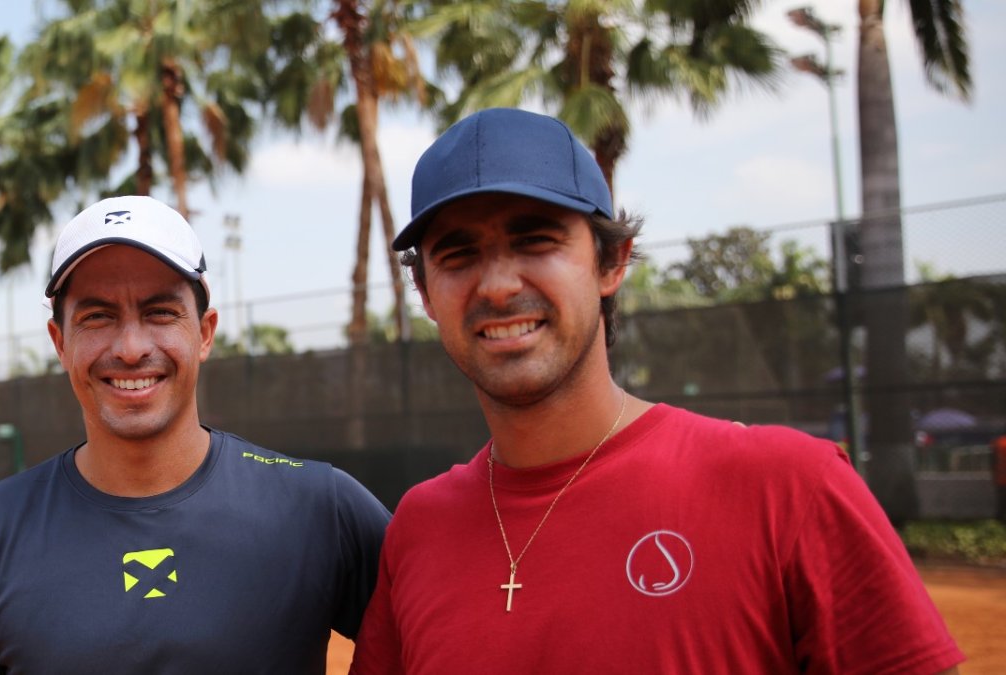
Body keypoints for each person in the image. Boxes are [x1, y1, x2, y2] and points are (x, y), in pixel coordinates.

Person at [350, 108, 964, 674]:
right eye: (457, 255)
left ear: (612, 262)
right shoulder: (418, 530)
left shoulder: (789, 487)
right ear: (427, 295)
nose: (500, 285)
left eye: (536, 239)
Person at [0, 196, 391, 674]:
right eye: (97, 317)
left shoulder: (318, 507)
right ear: (60, 343)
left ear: (205, 333)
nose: (131, 348)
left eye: (160, 312)